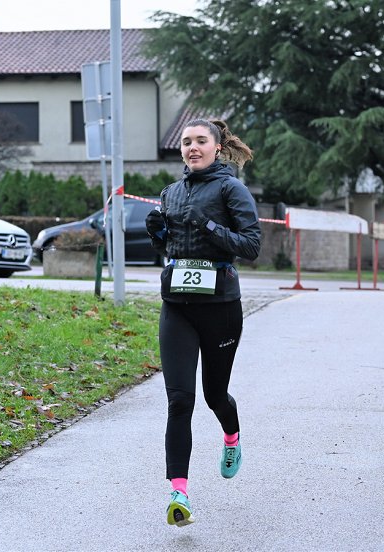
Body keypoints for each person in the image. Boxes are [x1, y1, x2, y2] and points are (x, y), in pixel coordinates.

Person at [144, 119, 261, 527]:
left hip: (220, 307)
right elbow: (173, 247)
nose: (192, 147)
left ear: (217, 147)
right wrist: (158, 236)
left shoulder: (232, 189)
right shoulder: (170, 192)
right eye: (186, 142)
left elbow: (252, 245)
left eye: (200, 141)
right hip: (177, 305)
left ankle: (231, 437)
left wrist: (209, 226)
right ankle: (179, 494)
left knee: (215, 395)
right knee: (180, 400)